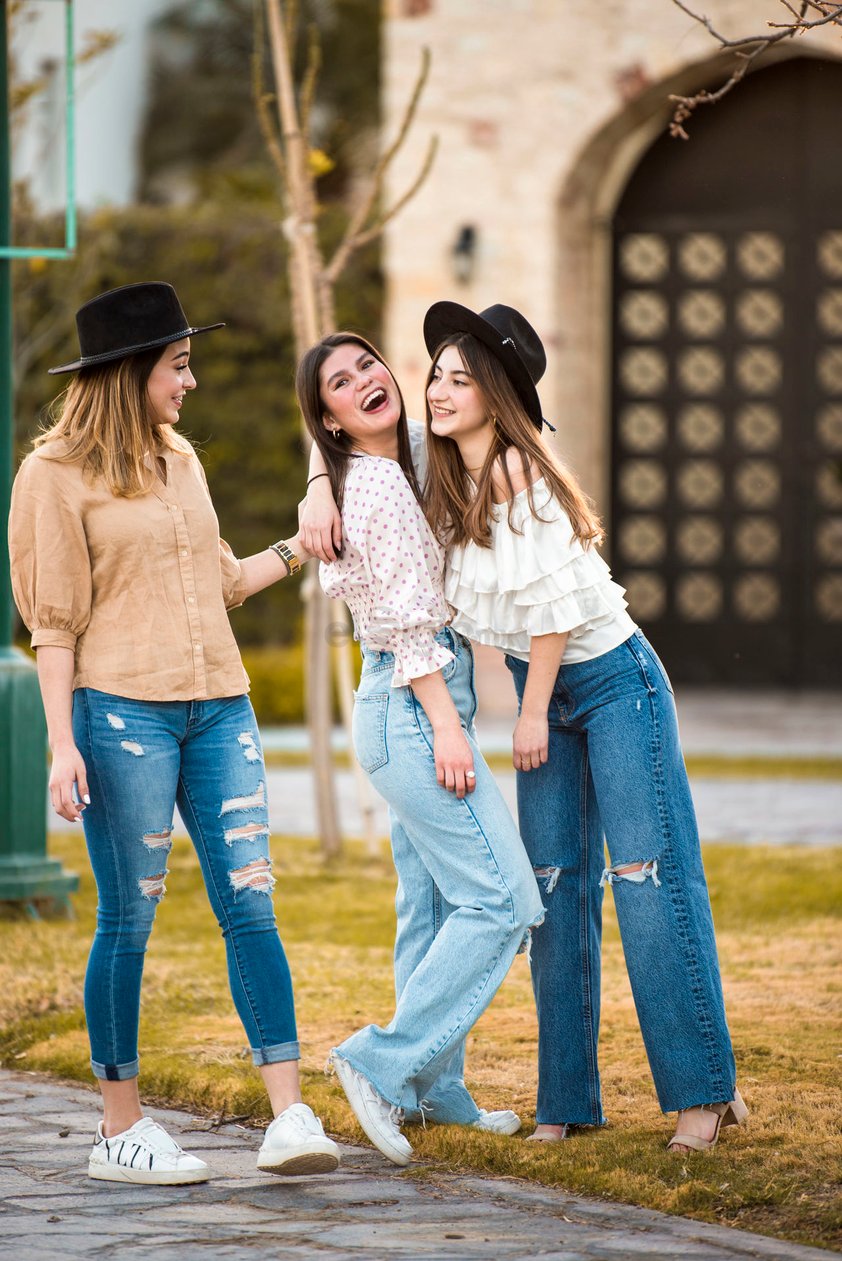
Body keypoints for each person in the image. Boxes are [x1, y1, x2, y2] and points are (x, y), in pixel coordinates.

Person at [8, 282, 339, 1185]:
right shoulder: (51, 476)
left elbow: (221, 581)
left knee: (252, 903)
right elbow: (54, 624)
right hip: (121, 715)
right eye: (178, 366)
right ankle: (121, 1127)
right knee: (129, 914)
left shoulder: (181, 458)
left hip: (220, 707)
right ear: (130, 373)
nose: (189, 382)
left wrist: (306, 544)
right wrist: (62, 741)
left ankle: (290, 1115)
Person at [418, 300, 747, 1153]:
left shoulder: (525, 480)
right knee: (555, 890)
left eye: (459, 378)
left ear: (497, 392)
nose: (437, 390)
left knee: (645, 876)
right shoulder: (450, 476)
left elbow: (556, 610)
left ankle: (703, 1093)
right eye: (436, 375)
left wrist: (526, 713)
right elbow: (346, 440)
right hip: (545, 692)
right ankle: (566, 1099)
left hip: (611, 684)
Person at [295, 331, 544, 1167]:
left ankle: (437, 1088)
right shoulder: (376, 488)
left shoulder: (397, 457)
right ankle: (381, 1062)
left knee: (432, 906)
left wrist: (314, 484)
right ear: (329, 417)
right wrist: (446, 726)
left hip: (401, 697)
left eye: (368, 363)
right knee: (503, 899)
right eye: (340, 380)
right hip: (415, 701)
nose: (366, 379)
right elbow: (407, 622)